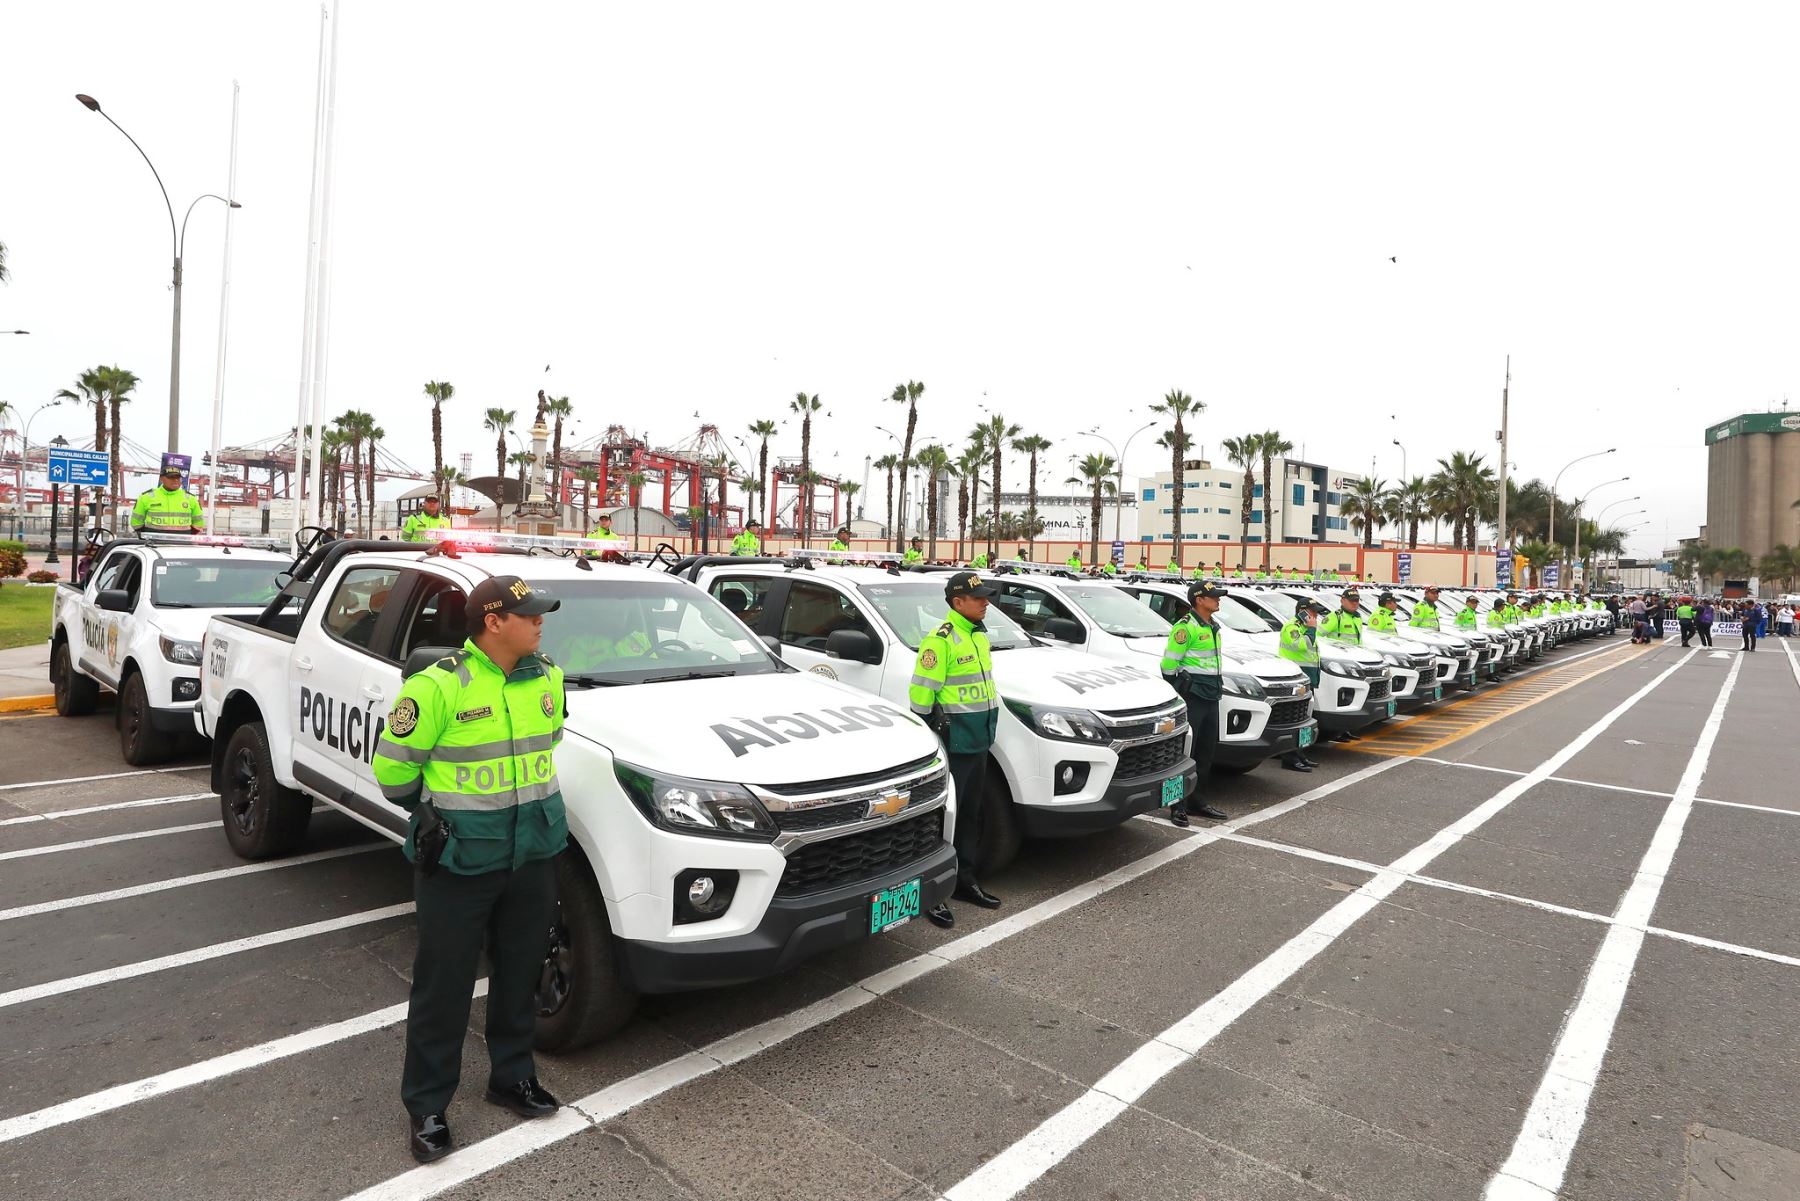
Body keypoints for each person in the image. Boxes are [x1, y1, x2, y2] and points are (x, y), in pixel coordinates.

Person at [371, 574, 567, 1164]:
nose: (539, 622)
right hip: (460, 860)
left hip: (532, 854)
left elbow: (548, 744)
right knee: (444, 986)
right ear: (493, 621)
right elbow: (395, 775)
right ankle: (428, 1106)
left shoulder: (548, 677)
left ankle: (512, 1076)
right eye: (529, 615)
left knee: (520, 973)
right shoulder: (438, 688)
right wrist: (434, 818)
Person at [907, 572, 1003, 928]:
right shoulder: (940, 641)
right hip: (954, 742)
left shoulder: (978, 637)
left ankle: (965, 881)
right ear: (957, 602)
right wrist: (932, 737)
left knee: (969, 815)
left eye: (985, 597)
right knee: (941, 821)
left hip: (978, 740)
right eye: (978, 598)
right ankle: (933, 894)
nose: (985, 602)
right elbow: (920, 697)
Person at [1157, 581, 1230, 826]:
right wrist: (1180, 689)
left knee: (1205, 752)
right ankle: (1178, 806)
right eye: (1213, 596)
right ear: (1199, 600)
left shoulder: (1212, 626)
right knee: (1184, 752)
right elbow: (1168, 665)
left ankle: (1198, 802)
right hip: (1194, 696)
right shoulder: (1185, 628)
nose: (1218, 600)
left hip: (1212, 695)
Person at [1275, 602, 1323, 772]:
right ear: (1303, 613)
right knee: (1294, 720)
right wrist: (1311, 629)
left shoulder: (1306, 627)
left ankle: (1300, 754)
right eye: (1313, 613)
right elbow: (1302, 646)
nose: (1316, 617)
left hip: (1307, 677)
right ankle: (1290, 758)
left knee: (1305, 719)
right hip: (1295, 679)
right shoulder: (1291, 627)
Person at [131, 465, 206, 535]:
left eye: (178, 477)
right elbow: (136, 524)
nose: (176, 480)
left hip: (182, 545)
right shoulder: (146, 497)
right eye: (171, 477)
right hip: (154, 544)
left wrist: (185, 537)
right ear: (161, 478)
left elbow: (198, 525)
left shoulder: (191, 499)